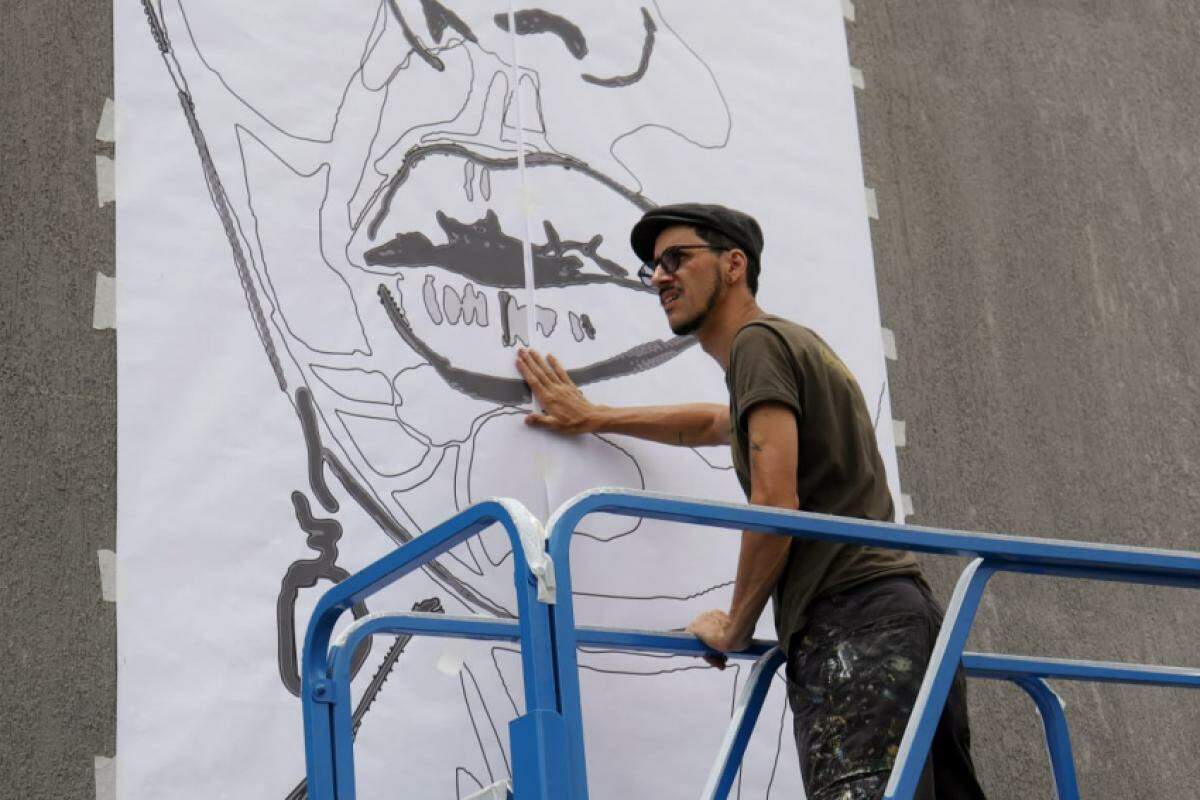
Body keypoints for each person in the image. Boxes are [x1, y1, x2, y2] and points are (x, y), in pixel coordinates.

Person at [515, 203, 987, 800]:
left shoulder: (758, 345)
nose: (659, 277)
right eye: (650, 268)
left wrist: (736, 625)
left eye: (676, 259)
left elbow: (774, 499)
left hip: (854, 624)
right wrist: (596, 416)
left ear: (734, 264)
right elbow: (715, 424)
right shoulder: (789, 347)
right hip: (903, 624)